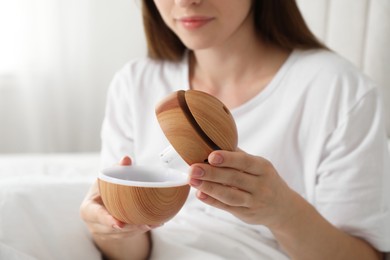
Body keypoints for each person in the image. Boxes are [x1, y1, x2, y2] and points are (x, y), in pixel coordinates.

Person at [80, 0, 390, 259]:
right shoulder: (135, 83)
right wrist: (110, 230)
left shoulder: (339, 91)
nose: (187, 1)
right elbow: (133, 251)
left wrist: (282, 211)